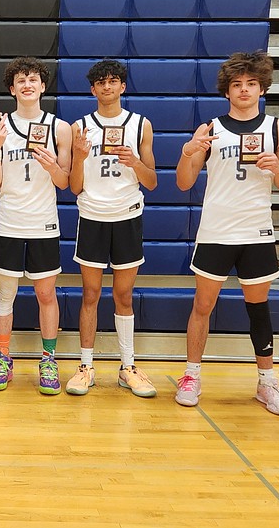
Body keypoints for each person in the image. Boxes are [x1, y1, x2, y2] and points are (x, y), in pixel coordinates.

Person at [172, 52, 279, 414]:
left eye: (251, 84)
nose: (244, 90)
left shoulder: (278, 129)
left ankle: (267, 383)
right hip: (216, 230)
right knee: (202, 305)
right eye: (237, 85)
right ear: (227, 91)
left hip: (256, 232)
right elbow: (183, 183)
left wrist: (277, 168)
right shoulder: (210, 128)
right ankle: (192, 375)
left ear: (262, 88)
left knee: (258, 308)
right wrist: (186, 153)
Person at [63, 59, 159, 398]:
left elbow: (152, 181)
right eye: (100, 82)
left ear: (122, 87)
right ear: (93, 89)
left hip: (128, 216)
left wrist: (135, 162)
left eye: (113, 81)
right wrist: (76, 154)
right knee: (90, 294)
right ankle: (86, 366)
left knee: (123, 295)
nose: (107, 86)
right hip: (92, 216)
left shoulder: (140, 125)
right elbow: (74, 186)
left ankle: (128, 367)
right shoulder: (79, 127)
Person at [0, 57, 72, 394]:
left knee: (46, 293)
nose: (27, 84)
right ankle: (3, 357)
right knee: (6, 293)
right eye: (20, 80)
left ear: (43, 86)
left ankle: (48, 359)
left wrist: (51, 166)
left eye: (33, 79)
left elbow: (64, 182)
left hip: (44, 223)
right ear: (12, 89)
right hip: (9, 221)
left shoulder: (59, 128)